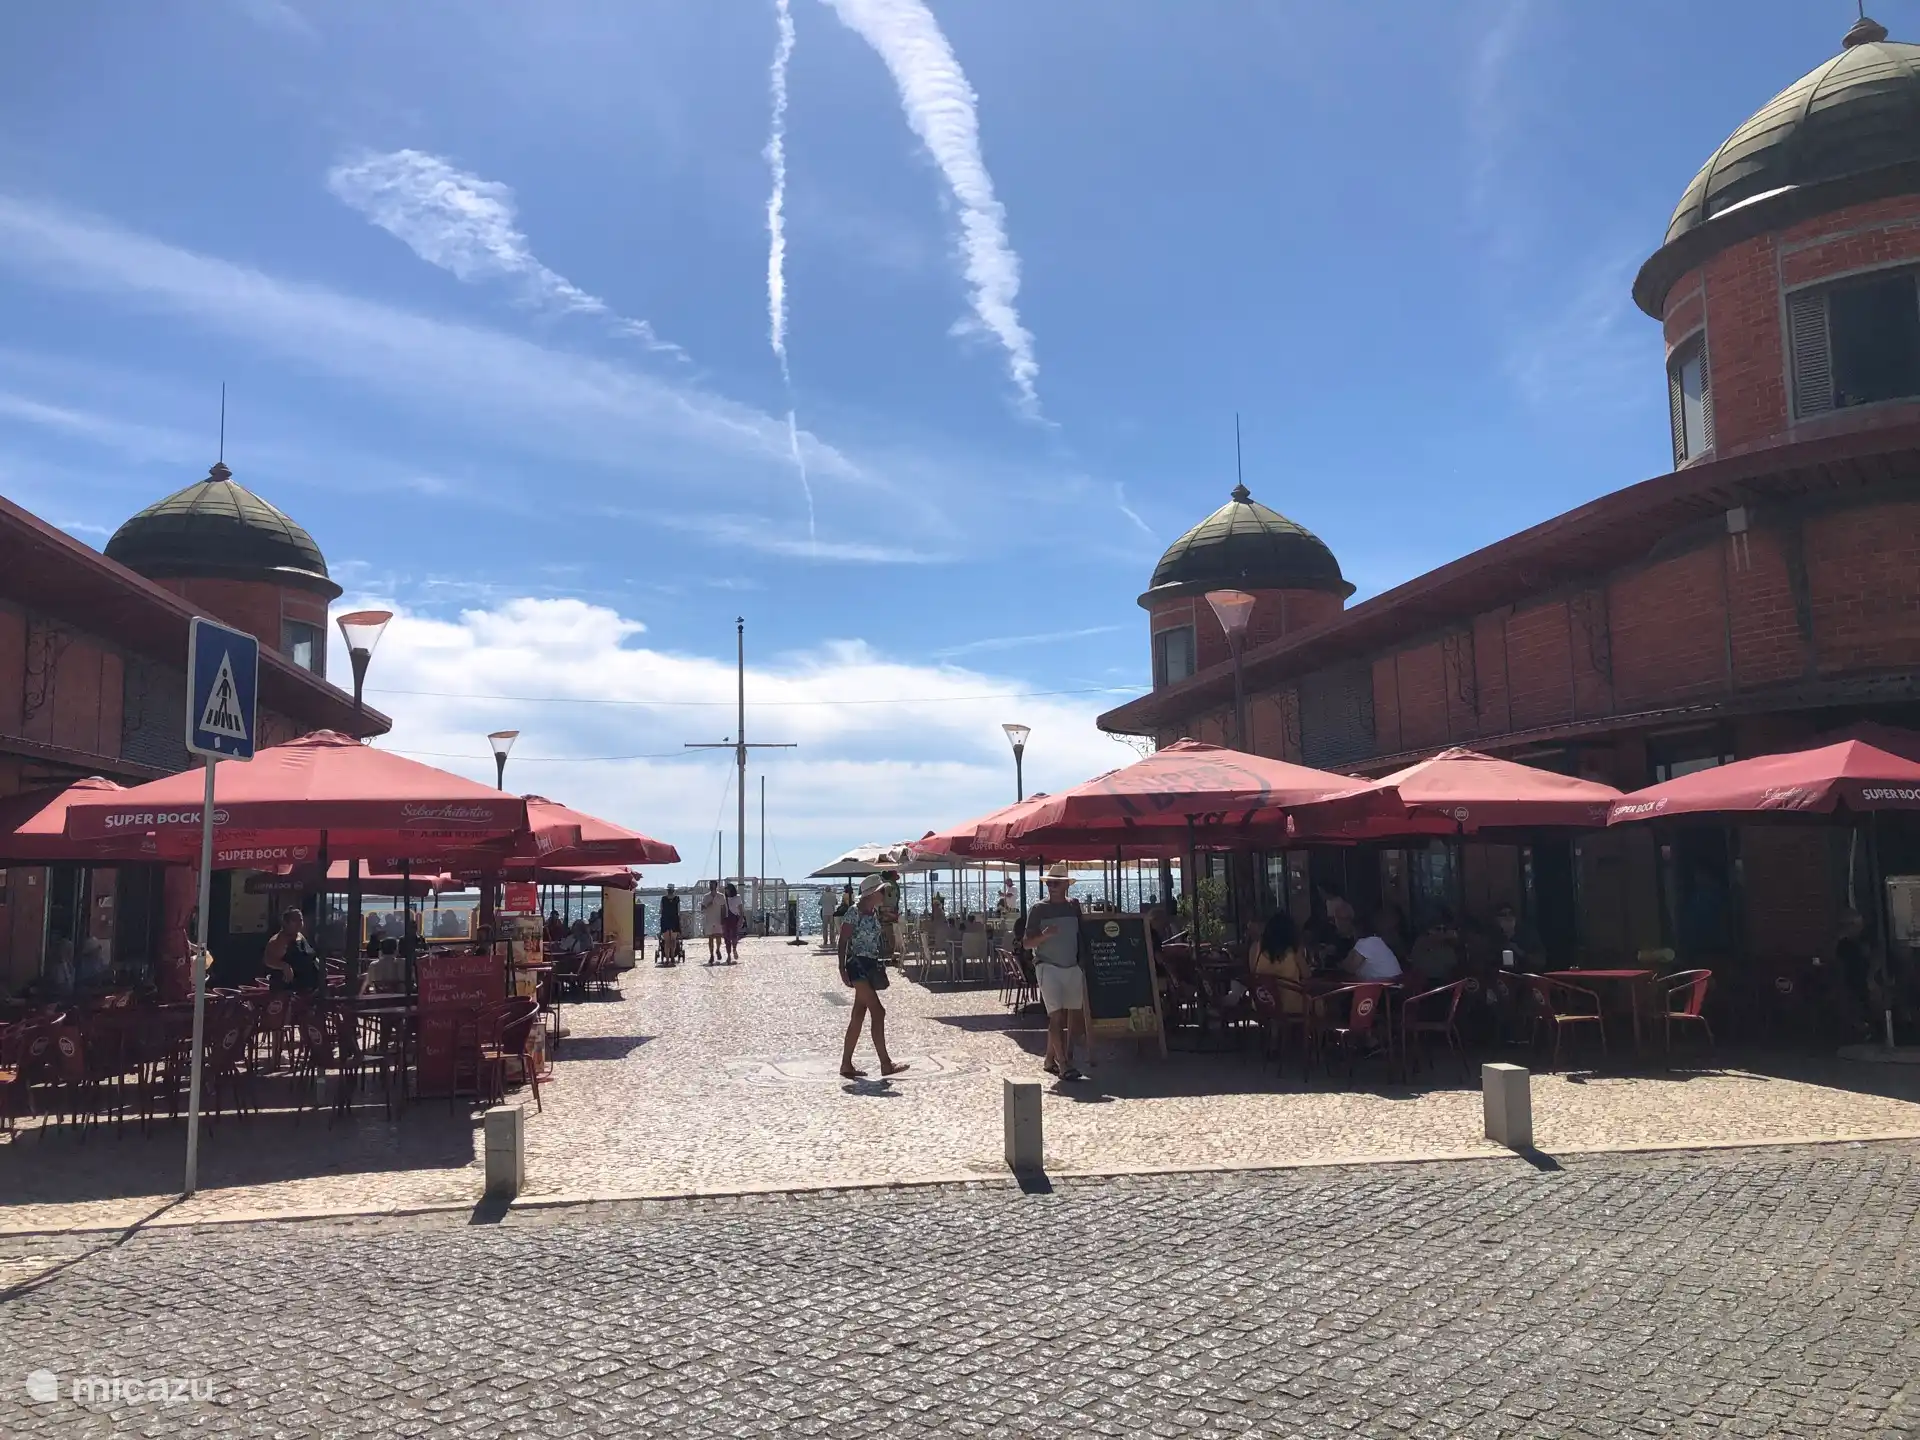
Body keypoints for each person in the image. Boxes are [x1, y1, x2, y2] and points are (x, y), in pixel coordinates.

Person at [837, 874, 908, 1079]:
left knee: (858, 1015)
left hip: (869, 965)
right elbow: (843, 941)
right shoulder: (855, 911)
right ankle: (885, 1064)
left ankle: (846, 1064)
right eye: (880, 891)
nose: (883, 894)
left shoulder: (872, 912)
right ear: (871, 894)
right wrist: (841, 968)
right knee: (878, 1011)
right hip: (857, 966)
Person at [1025, 860, 1088, 1082]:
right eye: (1050, 883)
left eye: (1056, 883)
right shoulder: (1038, 909)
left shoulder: (1074, 906)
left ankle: (1051, 1059)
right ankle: (1064, 1064)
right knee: (1056, 1016)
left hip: (1072, 966)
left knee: (1075, 1016)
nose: (1052, 886)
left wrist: (1082, 961)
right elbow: (1026, 943)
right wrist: (1044, 935)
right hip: (1047, 966)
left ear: (1066, 885)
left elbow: (1081, 935)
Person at [1250, 910, 1308, 1018]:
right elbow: (1307, 975)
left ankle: (1276, 1031)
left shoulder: (1258, 948)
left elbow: (1253, 972)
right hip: (1290, 1006)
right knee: (1319, 1003)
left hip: (1263, 1003)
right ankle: (1314, 1034)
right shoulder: (1294, 951)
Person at [262, 907, 323, 993]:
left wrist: (318, 964)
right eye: (295, 920)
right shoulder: (278, 940)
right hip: (288, 989)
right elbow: (268, 960)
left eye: (301, 920)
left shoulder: (300, 936)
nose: (299, 923)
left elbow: (309, 954)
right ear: (285, 922)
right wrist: (283, 965)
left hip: (308, 987)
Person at [1341, 909, 1403, 982]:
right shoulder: (1376, 941)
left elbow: (1351, 968)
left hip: (1386, 987)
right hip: (1395, 983)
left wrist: (1342, 964)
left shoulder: (1365, 943)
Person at [1407, 908, 1461, 983]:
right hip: (1424, 984)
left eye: (1444, 929)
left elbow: (1453, 966)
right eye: (1438, 929)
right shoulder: (1421, 941)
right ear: (1430, 930)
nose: (1442, 932)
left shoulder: (1449, 944)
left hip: (1446, 984)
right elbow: (1417, 965)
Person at [699, 881, 725, 965]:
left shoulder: (721, 896)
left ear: (716, 886)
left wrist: (724, 918)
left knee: (718, 936)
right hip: (709, 919)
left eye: (712, 885)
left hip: (718, 919)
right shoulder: (706, 897)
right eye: (710, 885)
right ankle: (711, 955)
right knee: (710, 938)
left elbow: (723, 907)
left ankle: (717, 950)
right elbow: (702, 908)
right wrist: (707, 904)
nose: (711, 886)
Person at [658, 884, 682, 964]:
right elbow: (678, 910)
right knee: (673, 940)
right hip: (674, 920)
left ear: (667, 890)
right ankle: (672, 956)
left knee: (667, 941)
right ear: (673, 890)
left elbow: (660, 910)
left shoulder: (663, 899)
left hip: (665, 920)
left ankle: (667, 958)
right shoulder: (677, 899)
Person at [722, 883, 744, 964]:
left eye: (728, 889)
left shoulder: (737, 897)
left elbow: (741, 910)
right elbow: (723, 909)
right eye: (726, 889)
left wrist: (741, 919)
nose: (727, 891)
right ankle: (728, 955)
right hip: (726, 919)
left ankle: (734, 949)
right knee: (726, 939)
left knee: (734, 937)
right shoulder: (725, 899)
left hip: (734, 918)